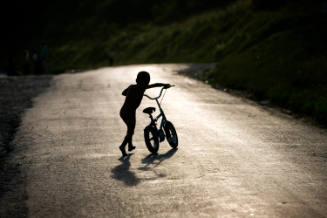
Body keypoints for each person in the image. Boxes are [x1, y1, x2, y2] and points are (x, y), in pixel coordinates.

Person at [119, 71, 170, 157]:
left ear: (136, 80)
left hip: (129, 111)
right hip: (127, 112)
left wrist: (130, 93)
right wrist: (164, 84)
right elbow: (154, 85)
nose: (145, 84)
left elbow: (123, 92)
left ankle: (130, 145)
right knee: (130, 130)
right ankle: (122, 146)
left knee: (131, 129)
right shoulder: (142, 88)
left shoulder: (133, 87)